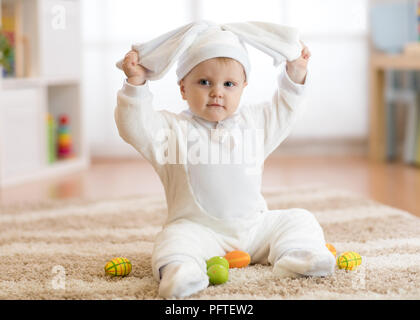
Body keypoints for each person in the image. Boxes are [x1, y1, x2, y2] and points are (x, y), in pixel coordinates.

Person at [115, 21, 335, 299]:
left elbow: (286, 109)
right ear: (183, 88)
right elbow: (134, 124)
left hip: (255, 229)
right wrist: (135, 84)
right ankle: (182, 272)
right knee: (172, 240)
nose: (217, 92)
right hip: (200, 232)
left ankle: (301, 255)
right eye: (204, 82)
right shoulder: (171, 131)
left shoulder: (255, 123)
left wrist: (296, 74)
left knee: (300, 219)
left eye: (228, 84)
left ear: (243, 87)